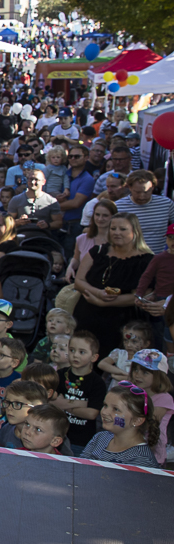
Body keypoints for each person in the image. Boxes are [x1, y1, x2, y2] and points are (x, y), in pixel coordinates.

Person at [72, 212, 153, 355]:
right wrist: (98, 293)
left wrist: (105, 303)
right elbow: (79, 281)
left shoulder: (146, 260)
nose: (116, 233)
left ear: (135, 231)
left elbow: (144, 295)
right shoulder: (97, 251)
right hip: (87, 315)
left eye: (123, 229)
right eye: (113, 228)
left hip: (123, 322)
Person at [53, 329, 108, 455]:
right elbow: (50, 401)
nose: (75, 355)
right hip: (56, 434)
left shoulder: (97, 383)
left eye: (81, 352)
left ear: (94, 357)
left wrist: (63, 404)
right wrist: (80, 403)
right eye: (72, 350)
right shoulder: (60, 375)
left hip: (81, 440)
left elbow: (91, 413)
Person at [80, 382, 161, 467]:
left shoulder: (142, 460)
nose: (104, 412)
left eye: (116, 409)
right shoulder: (100, 438)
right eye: (105, 405)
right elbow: (80, 471)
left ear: (137, 420)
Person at [114, 170, 174, 255]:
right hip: (129, 258)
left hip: (158, 258)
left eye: (146, 192)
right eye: (137, 192)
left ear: (152, 187)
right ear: (130, 188)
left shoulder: (166, 204)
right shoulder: (118, 206)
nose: (142, 196)